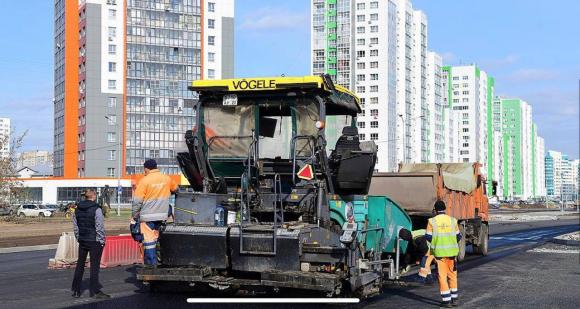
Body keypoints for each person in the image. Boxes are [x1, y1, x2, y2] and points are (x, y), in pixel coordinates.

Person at [132, 159, 178, 266]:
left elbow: (137, 201)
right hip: (162, 216)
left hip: (147, 217)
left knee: (149, 243)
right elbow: (176, 189)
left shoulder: (144, 181)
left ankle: (151, 266)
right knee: (157, 239)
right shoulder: (166, 178)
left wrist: (134, 215)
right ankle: (162, 261)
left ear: (146, 169)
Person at [71, 189, 110, 299]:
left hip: (83, 240)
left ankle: (76, 289)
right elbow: (99, 227)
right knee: (94, 266)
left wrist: (79, 238)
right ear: (93, 196)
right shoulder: (96, 209)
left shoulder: (77, 209)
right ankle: (95, 291)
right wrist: (102, 241)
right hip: (94, 241)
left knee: (80, 265)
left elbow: (75, 227)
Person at [426, 200, 461, 308]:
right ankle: (454, 299)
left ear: (435, 210)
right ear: (445, 209)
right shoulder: (453, 220)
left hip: (440, 254)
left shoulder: (432, 221)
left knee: (442, 277)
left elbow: (428, 237)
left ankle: (447, 301)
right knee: (452, 275)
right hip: (452, 254)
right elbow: (458, 236)